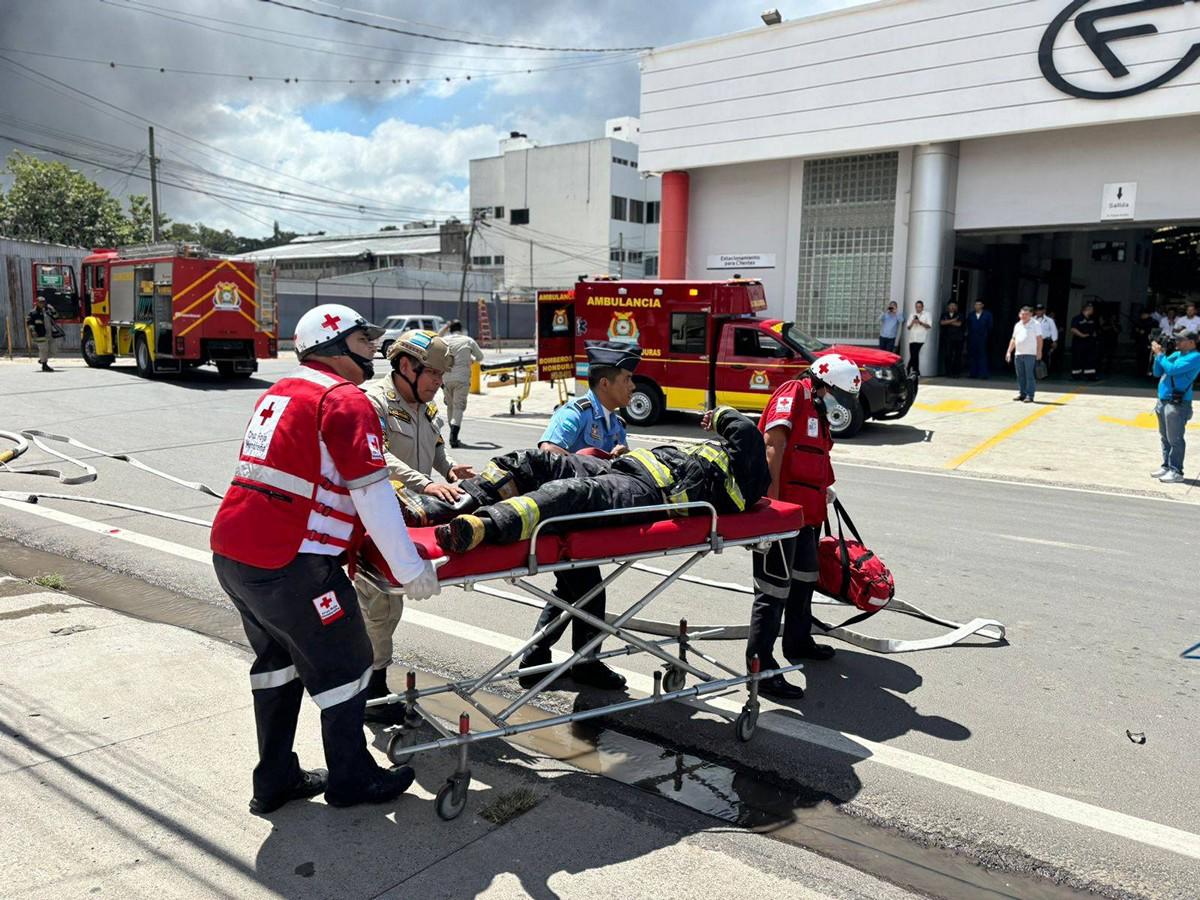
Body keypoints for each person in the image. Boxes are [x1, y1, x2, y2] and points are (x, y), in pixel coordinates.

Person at [210, 303, 442, 815]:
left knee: (278, 663)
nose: (373, 351)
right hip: (293, 563)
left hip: (236, 555)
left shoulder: (281, 391)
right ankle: (352, 778)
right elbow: (373, 493)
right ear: (330, 345)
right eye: (363, 342)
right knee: (349, 662)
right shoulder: (343, 399)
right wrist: (410, 570)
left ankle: (274, 779)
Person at [427, 406, 768, 552]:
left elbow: (745, 429)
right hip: (626, 469)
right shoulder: (731, 465)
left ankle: (483, 527)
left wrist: (720, 415)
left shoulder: (753, 476)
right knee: (532, 461)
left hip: (648, 492)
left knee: (571, 493)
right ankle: (447, 505)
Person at [358, 330, 474, 723]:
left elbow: (437, 446)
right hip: (377, 519)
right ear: (406, 367)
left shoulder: (425, 404)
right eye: (434, 376)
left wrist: (449, 467)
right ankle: (366, 691)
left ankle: (372, 682)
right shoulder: (373, 403)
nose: (439, 384)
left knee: (391, 606)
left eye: (442, 377)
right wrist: (426, 483)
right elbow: (381, 457)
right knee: (377, 606)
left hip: (411, 518)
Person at [514, 340, 642, 691]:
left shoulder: (615, 421)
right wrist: (597, 460)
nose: (633, 386)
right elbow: (548, 453)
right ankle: (585, 663)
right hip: (561, 520)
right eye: (628, 378)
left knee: (570, 590)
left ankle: (536, 659)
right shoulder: (576, 412)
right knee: (588, 591)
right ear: (606, 383)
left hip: (589, 520)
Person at [748, 354, 862, 701]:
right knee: (773, 591)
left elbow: (815, 456)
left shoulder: (819, 410)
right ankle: (761, 668)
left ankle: (797, 641)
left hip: (808, 517)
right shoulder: (793, 393)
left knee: (804, 581)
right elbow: (773, 446)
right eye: (836, 393)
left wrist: (822, 487)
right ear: (822, 382)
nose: (837, 401)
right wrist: (770, 509)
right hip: (782, 516)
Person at [1150, 329, 1200, 484]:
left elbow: (1172, 369)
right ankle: (1166, 466)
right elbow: (1157, 372)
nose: (1177, 342)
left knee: (1175, 438)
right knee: (1165, 437)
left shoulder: (1195, 357)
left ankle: (1176, 471)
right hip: (1164, 401)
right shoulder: (1177, 355)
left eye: (1181, 340)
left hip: (1178, 404)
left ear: (1191, 342)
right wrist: (1159, 356)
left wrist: (1160, 355)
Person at [439, 320, 484, 448]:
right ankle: (453, 436)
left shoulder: (444, 340)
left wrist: (445, 327)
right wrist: (471, 359)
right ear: (461, 329)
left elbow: (435, 338)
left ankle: (452, 432)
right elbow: (480, 357)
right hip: (462, 379)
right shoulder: (468, 340)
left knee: (450, 406)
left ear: (449, 329)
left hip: (445, 378)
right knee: (458, 407)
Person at [1005, 306, 1043, 403]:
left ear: (1031, 315)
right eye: (1022, 314)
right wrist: (1009, 351)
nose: (1024, 316)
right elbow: (1013, 339)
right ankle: (1022, 394)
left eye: (1026, 314)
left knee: (1029, 375)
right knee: (1020, 375)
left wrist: (1039, 352)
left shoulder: (1036, 324)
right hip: (1018, 354)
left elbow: (1039, 339)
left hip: (1030, 354)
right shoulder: (1017, 325)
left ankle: (1030, 395)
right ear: (1019, 314)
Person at [26, 295, 60, 373]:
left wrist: (53, 310)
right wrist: (33, 330)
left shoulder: (48, 311)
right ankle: (44, 365)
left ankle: (42, 359)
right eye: (40, 302)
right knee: (43, 350)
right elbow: (29, 322)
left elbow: (56, 317)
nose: (42, 303)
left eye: (44, 302)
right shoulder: (33, 313)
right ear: (37, 303)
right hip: (40, 334)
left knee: (54, 350)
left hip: (50, 334)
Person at [1070, 302, 1099, 381]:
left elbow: (1094, 329)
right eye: (1092, 309)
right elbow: (1073, 329)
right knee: (1078, 358)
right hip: (1079, 342)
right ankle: (1076, 375)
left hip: (1090, 342)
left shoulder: (1092, 319)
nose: (1093, 311)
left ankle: (1090, 375)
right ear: (1087, 309)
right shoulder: (1077, 318)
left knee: (1090, 359)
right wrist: (1082, 335)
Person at [965, 300, 993, 378]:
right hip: (972, 337)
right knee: (972, 355)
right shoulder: (971, 315)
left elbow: (990, 326)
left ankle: (983, 374)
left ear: (982, 305)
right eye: (976, 305)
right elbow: (968, 325)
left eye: (979, 304)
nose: (977, 306)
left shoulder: (987, 315)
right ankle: (973, 373)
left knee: (982, 355)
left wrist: (986, 334)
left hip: (983, 337)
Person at [904, 300, 932, 376]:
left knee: (914, 354)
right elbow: (908, 327)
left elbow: (929, 326)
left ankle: (908, 368)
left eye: (919, 307)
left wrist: (920, 322)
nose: (918, 308)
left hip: (921, 338)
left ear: (922, 307)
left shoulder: (927, 314)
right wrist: (913, 322)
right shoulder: (912, 314)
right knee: (914, 355)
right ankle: (916, 371)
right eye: (916, 307)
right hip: (912, 338)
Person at [939, 300, 964, 377]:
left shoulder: (960, 314)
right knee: (948, 355)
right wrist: (953, 320)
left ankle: (956, 373)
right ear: (948, 307)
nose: (952, 307)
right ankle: (948, 372)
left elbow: (959, 324)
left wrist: (948, 322)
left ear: (956, 307)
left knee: (957, 356)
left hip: (958, 338)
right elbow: (942, 323)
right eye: (951, 305)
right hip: (947, 338)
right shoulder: (944, 314)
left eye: (954, 306)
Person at [1133, 307, 1159, 377]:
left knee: (1148, 358)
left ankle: (1147, 372)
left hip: (1148, 342)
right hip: (1139, 342)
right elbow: (1134, 331)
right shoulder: (1138, 321)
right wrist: (1138, 331)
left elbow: (1155, 332)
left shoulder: (1154, 322)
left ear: (1148, 314)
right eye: (1142, 314)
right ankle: (1139, 372)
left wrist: (1146, 332)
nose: (1142, 315)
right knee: (1139, 357)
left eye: (1144, 314)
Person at [1033, 304, 1058, 374]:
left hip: (1045, 340)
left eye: (1040, 310)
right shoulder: (1032, 320)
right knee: (1034, 356)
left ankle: (1044, 373)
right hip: (1035, 341)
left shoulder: (1049, 320)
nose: (1039, 312)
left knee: (1044, 357)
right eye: (1037, 310)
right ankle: (1034, 372)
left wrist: (1054, 341)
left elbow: (1053, 330)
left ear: (1044, 311)